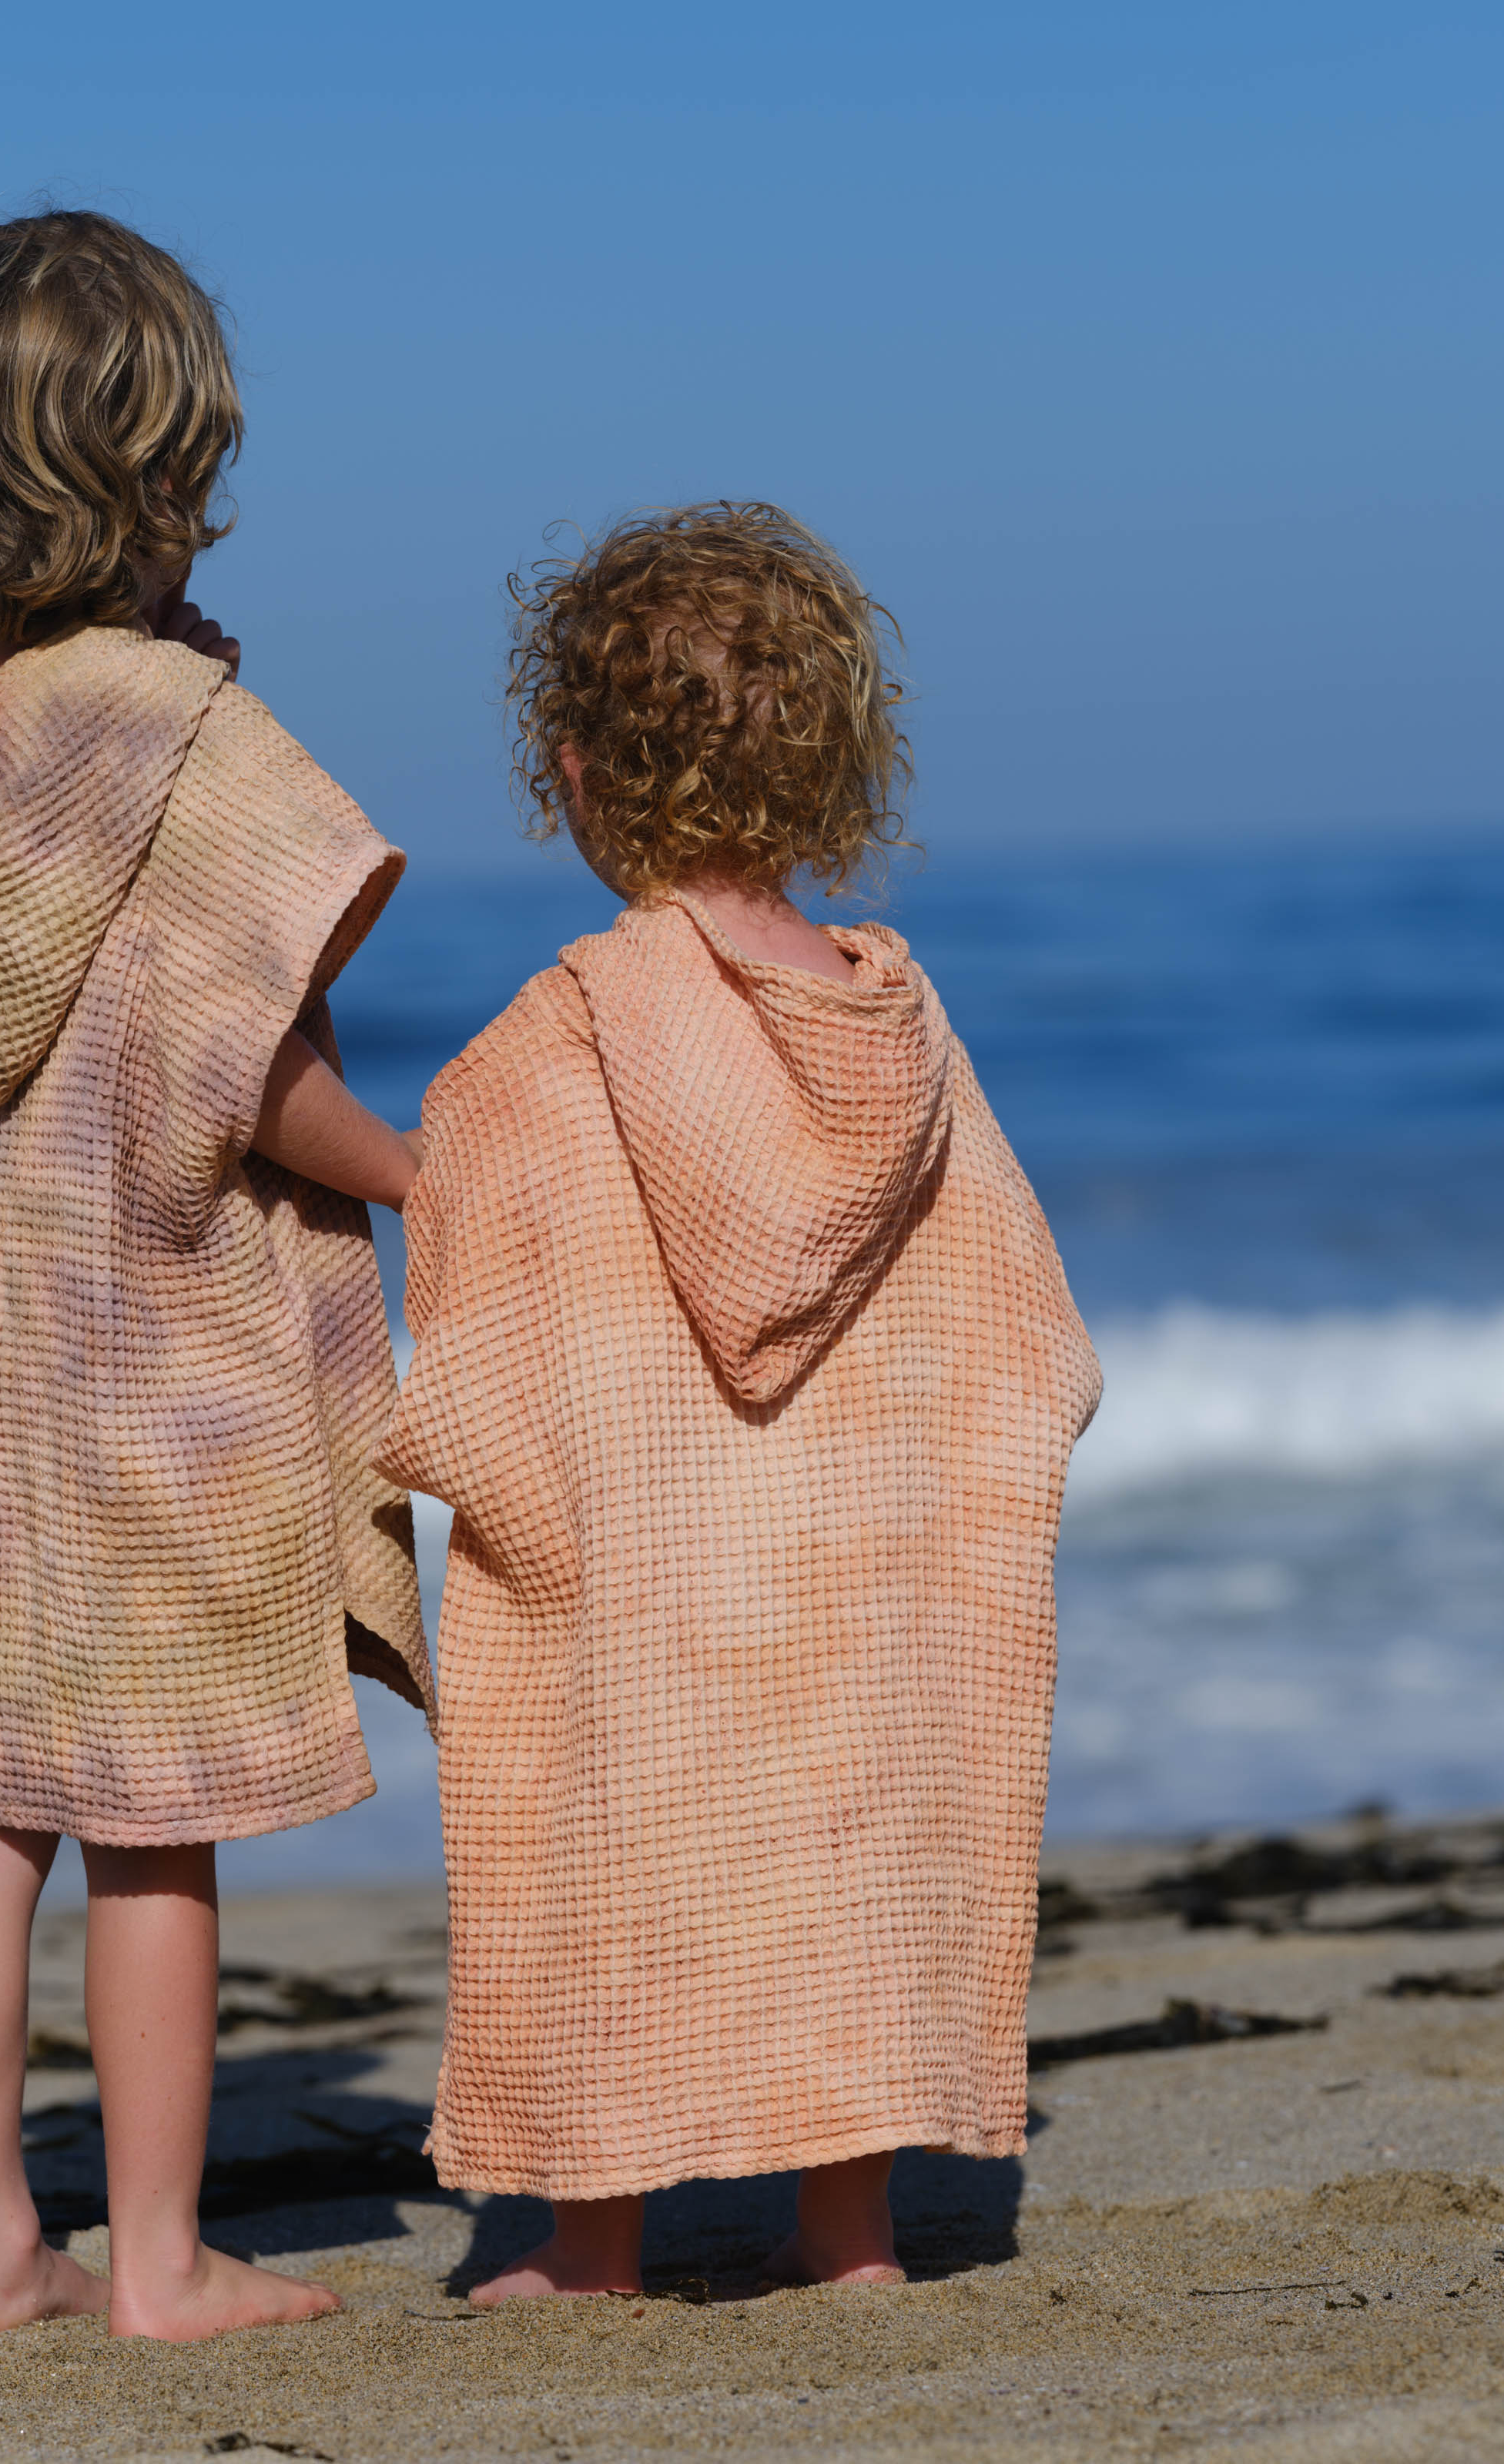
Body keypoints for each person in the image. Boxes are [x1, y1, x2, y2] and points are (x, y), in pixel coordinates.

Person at [0, 207, 427, 2343]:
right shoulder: (179, 727)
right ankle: (158, 2259)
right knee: (157, 1823)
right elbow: (255, 1061)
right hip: (162, 1364)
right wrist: (423, 1173)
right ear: (147, 474)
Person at [377, 504, 1101, 2304]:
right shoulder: (903, 1037)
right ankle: (850, 2239)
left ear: (573, 774)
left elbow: (473, 1353)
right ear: (838, 768)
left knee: (600, 1836)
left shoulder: (543, 1052)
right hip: (856, 1579)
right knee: (853, 1838)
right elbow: (1028, 1331)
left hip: (650, 1585)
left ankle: (592, 2248)